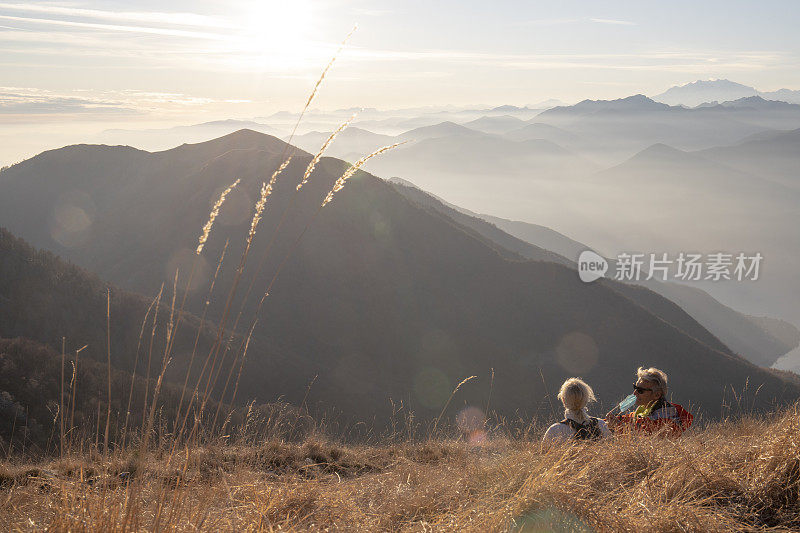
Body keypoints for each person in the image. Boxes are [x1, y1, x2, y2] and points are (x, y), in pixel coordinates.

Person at [606, 367, 693, 437]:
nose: (634, 393)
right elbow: (633, 420)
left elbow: (643, 441)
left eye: (640, 390)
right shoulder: (645, 409)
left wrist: (618, 426)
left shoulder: (667, 418)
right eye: (635, 387)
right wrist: (610, 421)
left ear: (657, 395)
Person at [542, 377, 611, 443]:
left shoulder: (555, 430)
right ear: (586, 400)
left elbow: (543, 454)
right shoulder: (601, 424)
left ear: (563, 400)